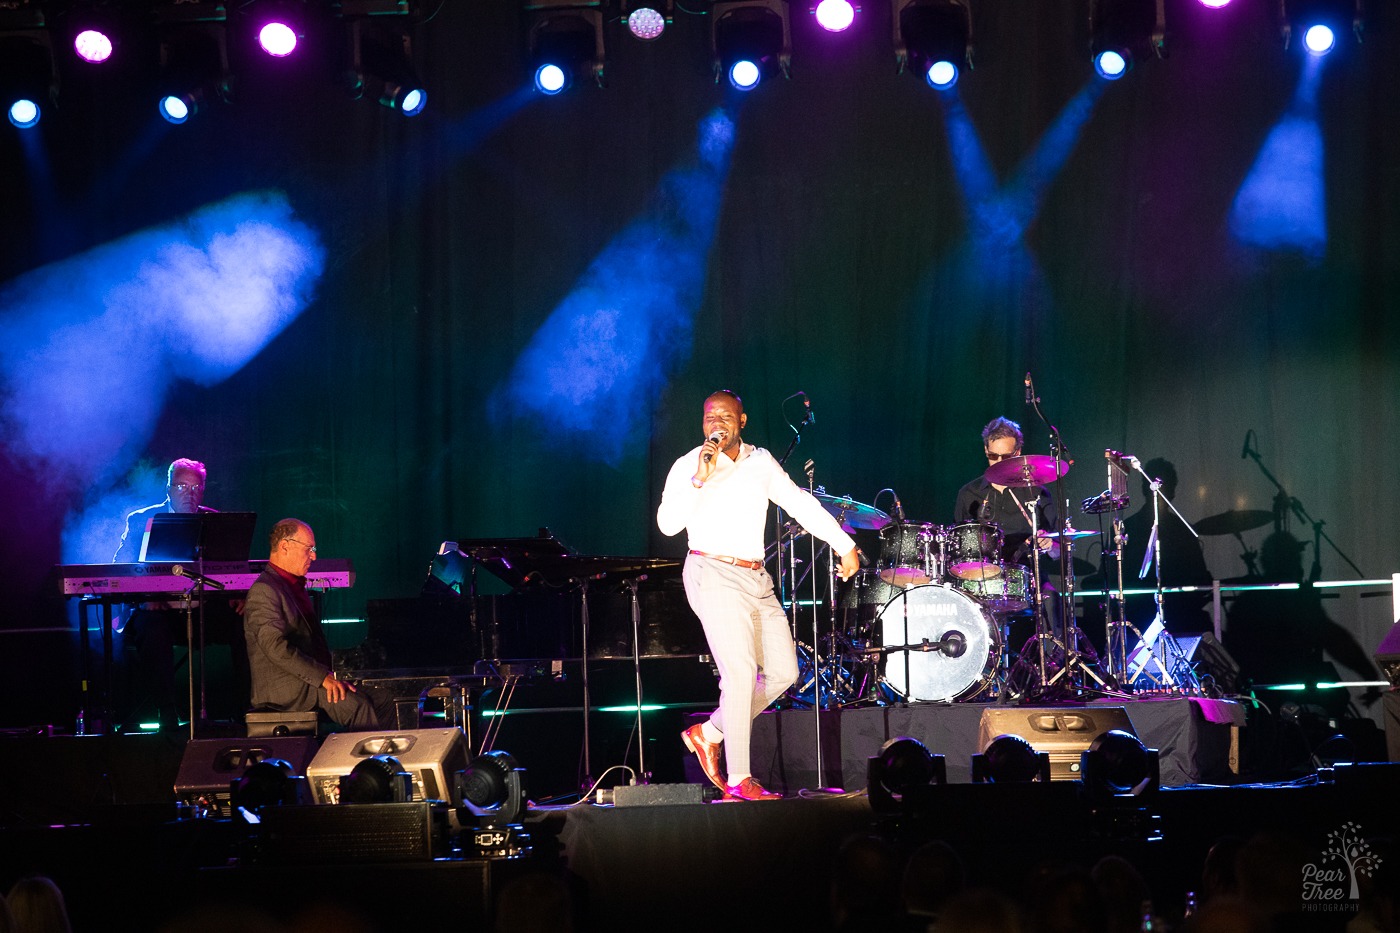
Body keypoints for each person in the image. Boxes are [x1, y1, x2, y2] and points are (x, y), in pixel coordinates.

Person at [658, 390, 859, 801]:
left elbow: (800, 503)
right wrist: (699, 477)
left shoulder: (760, 462)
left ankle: (709, 731)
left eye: (725, 416)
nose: (717, 422)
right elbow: (667, 525)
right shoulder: (688, 466)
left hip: (755, 577)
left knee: (784, 672)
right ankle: (739, 781)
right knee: (740, 676)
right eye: (709, 415)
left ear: (742, 421)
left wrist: (844, 545)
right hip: (711, 570)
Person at [112, 457, 248, 727]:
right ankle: (168, 713)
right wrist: (146, 598)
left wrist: (238, 593)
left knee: (246, 622)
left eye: (196, 488)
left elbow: (232, 567)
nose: (190, 494)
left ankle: (247, 707)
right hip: (159, 614)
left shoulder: (214, 520)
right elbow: (120, 571)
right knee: (152, 627)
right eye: (183, 487)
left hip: (201, 613)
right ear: (169, 489)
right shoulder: (141, 520)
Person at [244, 518, 385, 730]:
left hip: (311, 681)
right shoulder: (265, 590)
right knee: (359, 707)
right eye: (309, 548)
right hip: (289, 690)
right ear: (284, 546)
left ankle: (390, 760)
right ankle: (366, 763)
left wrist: (333, 675)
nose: (314, 555)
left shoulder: (291, 586)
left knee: (385, 699)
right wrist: (322, 678)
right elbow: (275, 647)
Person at [951, 418, 1063, 679]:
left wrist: (1049, 544)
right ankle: (978, 675)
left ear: (1018, 453)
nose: (999, 462)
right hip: (980, 580)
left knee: (1051, 598)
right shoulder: (969, 494)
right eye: (993, 456)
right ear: (985, 451)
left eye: (1006, 456)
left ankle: (1051, 672)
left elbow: (1060, 550)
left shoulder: (1037, 493)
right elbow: (957, 548)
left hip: (1027, 576)